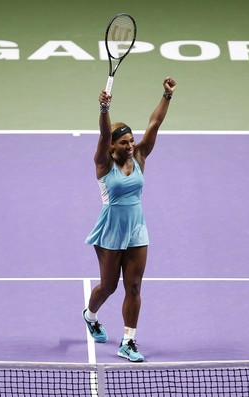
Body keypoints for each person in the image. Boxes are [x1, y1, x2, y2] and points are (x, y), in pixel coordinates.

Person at [83, 76, 177, 362]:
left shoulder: (140, 156)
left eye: (131, 140)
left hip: (137, 228)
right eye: (124, 142)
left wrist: (166, 95)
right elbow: (102, 135)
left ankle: (128, 341)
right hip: (111, 229)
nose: (130, 145)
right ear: (113, 146)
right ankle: (90, 314)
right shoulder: (103, 163)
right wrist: (104, 110)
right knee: (108, 287)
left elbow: (154, 123)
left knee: (134, 286)